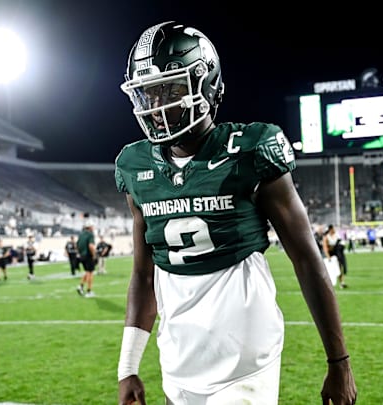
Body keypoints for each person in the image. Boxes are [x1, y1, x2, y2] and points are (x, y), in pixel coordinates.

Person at [114, 21, 357, 405]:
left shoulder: (250, 151)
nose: (158, 107)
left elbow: (308, 260)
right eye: (148, 94)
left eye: (170, 90)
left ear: (206, 85)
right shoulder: (135, 166)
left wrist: (339, 362)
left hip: (245, 361)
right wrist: (128, 365)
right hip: (178, 360)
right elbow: (144, 277)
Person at [76, 220, 98, 297]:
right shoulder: (90, 234)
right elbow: (91, 246)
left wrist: (80, 253)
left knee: (87, 272)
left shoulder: (81, 234)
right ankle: (89, 291)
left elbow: (77, 245)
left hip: (82, 256)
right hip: (88, 255)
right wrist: (94, 255)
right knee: (90, 273)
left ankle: (81, 286)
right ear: (90, 227)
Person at [323, 224, 348, 288]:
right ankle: (328, 284)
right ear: (330, 229)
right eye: (333, 228)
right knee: (329, 271)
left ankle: (342, 283)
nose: (334, 230)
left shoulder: (336, 235)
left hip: (337, 255)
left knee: (339, 268)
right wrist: (328, 257)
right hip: (330, 255)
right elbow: (325, 248)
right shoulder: (326, 237)